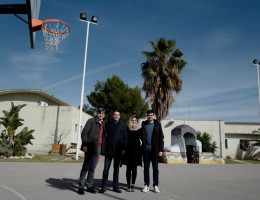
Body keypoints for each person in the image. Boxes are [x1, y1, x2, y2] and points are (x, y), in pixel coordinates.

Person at [77, 108, 106, 195]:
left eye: (102, 113)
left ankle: (90, 186)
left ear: (104, 115)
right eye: (99, 113)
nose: (101, 115)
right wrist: (85, 144)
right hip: (90, 147)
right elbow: (84, 133)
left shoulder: (103, 124)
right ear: (97, 113)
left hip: (98, 148)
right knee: (85, 167)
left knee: (92, 168)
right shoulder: (91, 121)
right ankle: (81, 187)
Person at [99, 110, 128, 193]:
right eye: (115, 114)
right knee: (106, 169)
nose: (116, 116)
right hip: (109, 150)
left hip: (118, 151)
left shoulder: (123, 125)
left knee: (116, 170)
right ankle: (104, 186)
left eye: (117, 115)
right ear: (112, 116)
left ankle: (115, 186)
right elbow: (104, 137)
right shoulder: (108, 125)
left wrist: (123, 148)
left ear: (120, 116)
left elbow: (125, 139)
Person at [141, 110, 164, 193]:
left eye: (151, 115)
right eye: (148, 115)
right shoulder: (144, 124)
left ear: (153, 116)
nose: (150, 117)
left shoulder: (157, 125)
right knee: (146, 168)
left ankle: (155, 186)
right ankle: (146, 185)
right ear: (147, 116)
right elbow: (140, 135)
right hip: (146, 150)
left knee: (155, 168)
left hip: (155, 151)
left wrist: (161, 150)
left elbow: (161, 138)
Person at [121, 115, 143, 192]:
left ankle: (133, 184)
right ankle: (128, 185)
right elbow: (123, 139)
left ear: (137, 122)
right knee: (128, 168)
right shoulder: (127, 128)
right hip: (128, 150)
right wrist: (123, 148)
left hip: (136, 151)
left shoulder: (140, 129)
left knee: (134, 168)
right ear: (130, 121)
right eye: (132, 120)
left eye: (135, 121)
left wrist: (141, 149)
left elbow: (143, 139)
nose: (134, 122)